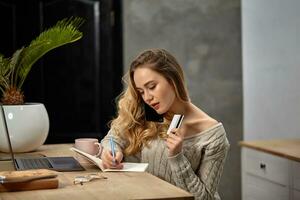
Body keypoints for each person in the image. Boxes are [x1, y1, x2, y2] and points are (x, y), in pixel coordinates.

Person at [100, 48, 230, 200]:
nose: (147, 97)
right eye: (141, 91)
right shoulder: (150, 111)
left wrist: (177, 157)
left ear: (172, 80)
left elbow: (205, 198)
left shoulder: (212, 135)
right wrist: (111, 152)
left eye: (152, 87)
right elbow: (113, 138)